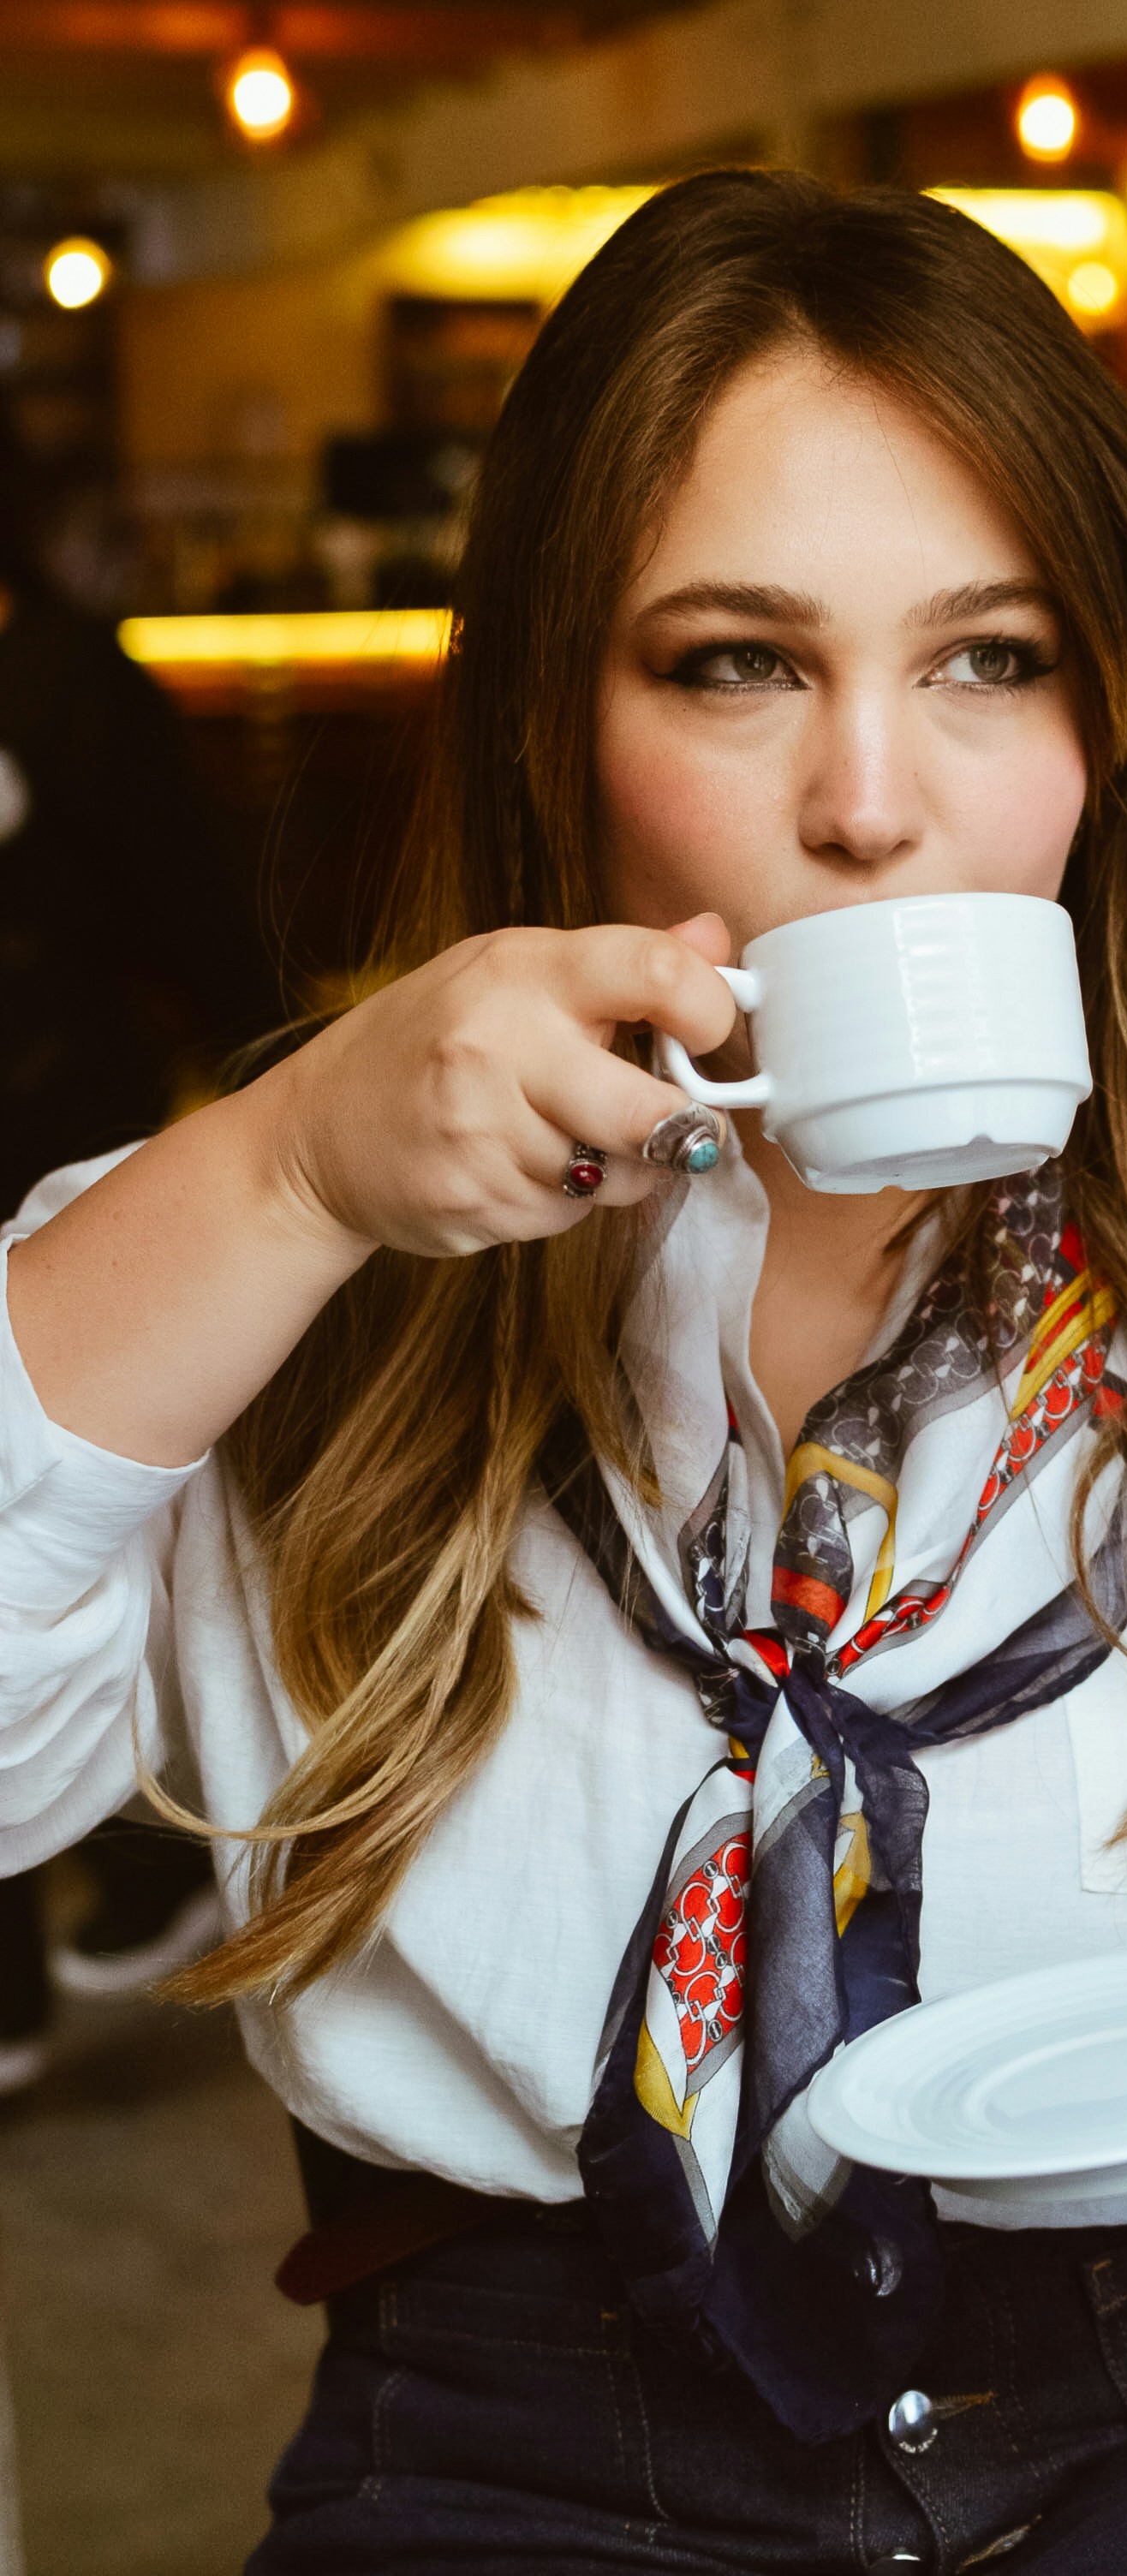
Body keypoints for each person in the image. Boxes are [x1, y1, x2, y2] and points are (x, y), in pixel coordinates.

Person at [1, 172, 1127, 2574]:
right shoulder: (314, 1258)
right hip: (520, 2425)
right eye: (736, 661)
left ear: (1108, 718)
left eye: (990, 657)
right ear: (550, 710)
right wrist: (289, 1170)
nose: (875, 804)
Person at [0, 411, 269, 2089]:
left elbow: (203, 918)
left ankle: (154, 1845)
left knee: (73, 1525)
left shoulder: (74, 686)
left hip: (60, 1148)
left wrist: (289, 1140)